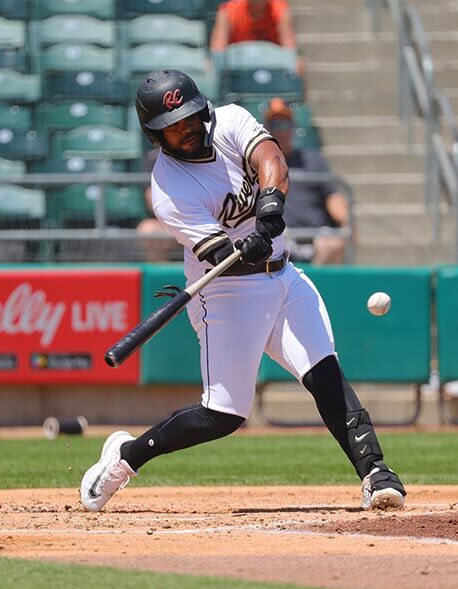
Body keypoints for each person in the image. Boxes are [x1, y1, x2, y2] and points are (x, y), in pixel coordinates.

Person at [80, 70, 406, 513]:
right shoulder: (168, 189)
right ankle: (128, 455)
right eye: (173, 126)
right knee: (224, 415)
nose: (187, 128)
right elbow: (218, 253)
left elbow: (272, 159)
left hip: (286, 278)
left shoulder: (231, 120)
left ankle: (375, 473)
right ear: (155, 135)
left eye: (190, 116)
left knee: (324, 374)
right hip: (227, 294)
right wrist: (244, 247)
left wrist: (270, 206)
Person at [263, 98, 354, 265]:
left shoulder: (312, 160)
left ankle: (316, 288)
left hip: (315, 234)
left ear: (292, 129)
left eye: (284, 125)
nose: (280, 131)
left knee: (334, 243)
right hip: (280, 233)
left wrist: (345, 220)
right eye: (275, 126)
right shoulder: (261, 163)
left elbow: (331, 194)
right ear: (266, 130)